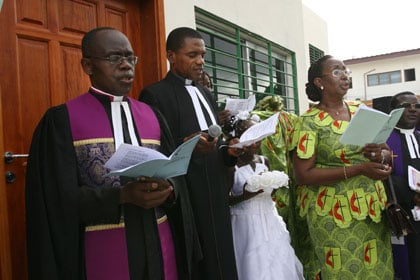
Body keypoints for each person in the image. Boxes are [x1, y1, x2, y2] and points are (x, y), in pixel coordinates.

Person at [25, 27, 202, 280]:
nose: (126, 66)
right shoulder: (62, 120)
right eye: (114, 58)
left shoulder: (152, 116)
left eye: (130, 58)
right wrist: (120, 196)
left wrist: (169, 189)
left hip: (158, 240)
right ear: (87, 65)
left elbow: (175, 175)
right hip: (100, 245)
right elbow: (54, 200)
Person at [139, 27, 238, 279]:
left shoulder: (206, 92)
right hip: (186, 194)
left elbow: (216, 144)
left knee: (222, 257)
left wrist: (233, 151)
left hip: (215, 191)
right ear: (171, 56)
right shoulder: (154, 94)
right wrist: (187, 146)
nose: (200, 61)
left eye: (202, 55)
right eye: (192, 54)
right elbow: (155, 149)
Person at [291, 55, 394, 279]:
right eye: (337, 71)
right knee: (341, 271)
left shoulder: (361, 110)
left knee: (376, 271)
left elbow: (386, 151)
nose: (345, 76)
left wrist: (381, 157)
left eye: (346, 70)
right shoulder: (308, 122)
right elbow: (302, 175)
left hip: (372, 210)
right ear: (319, 82)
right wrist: (358, 169)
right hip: (332, 214)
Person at [224, 113, 304, 280]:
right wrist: (245, 196)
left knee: (277, 263)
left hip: (269, 220)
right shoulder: (232, 165)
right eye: (249, 137)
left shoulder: (263, 161)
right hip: (245, 223)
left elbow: (268, 192)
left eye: (257, 137)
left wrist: (274, 185)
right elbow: (225, 200)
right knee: (253, 265)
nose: (255, 143)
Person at [386, 91, 420, 280]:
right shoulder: (384, 141)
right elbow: (385, 177)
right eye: (406, 106)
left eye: (417, 106)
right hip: (402, 214)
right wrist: (411, 197)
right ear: (393, 112)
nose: (413, 110)